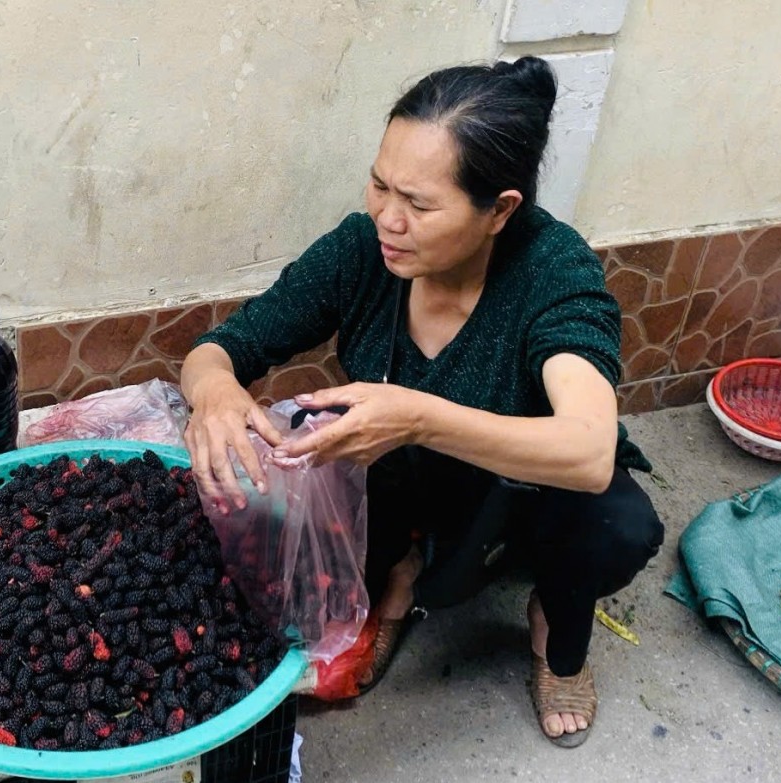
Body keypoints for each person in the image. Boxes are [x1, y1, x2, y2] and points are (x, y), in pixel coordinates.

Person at [178, 56, 664, 748]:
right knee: (289, 568)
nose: (388, 217)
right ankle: (402, 575)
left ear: (499, 211)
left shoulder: (553, 272)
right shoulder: (363, 250)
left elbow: (588, 450)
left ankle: (555, 620)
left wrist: (419, 415)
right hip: (397, 481)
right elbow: (219, 349)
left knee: (613, 526)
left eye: (419, 203)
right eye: (380, 184)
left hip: (520, 487)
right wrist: (216, 392)